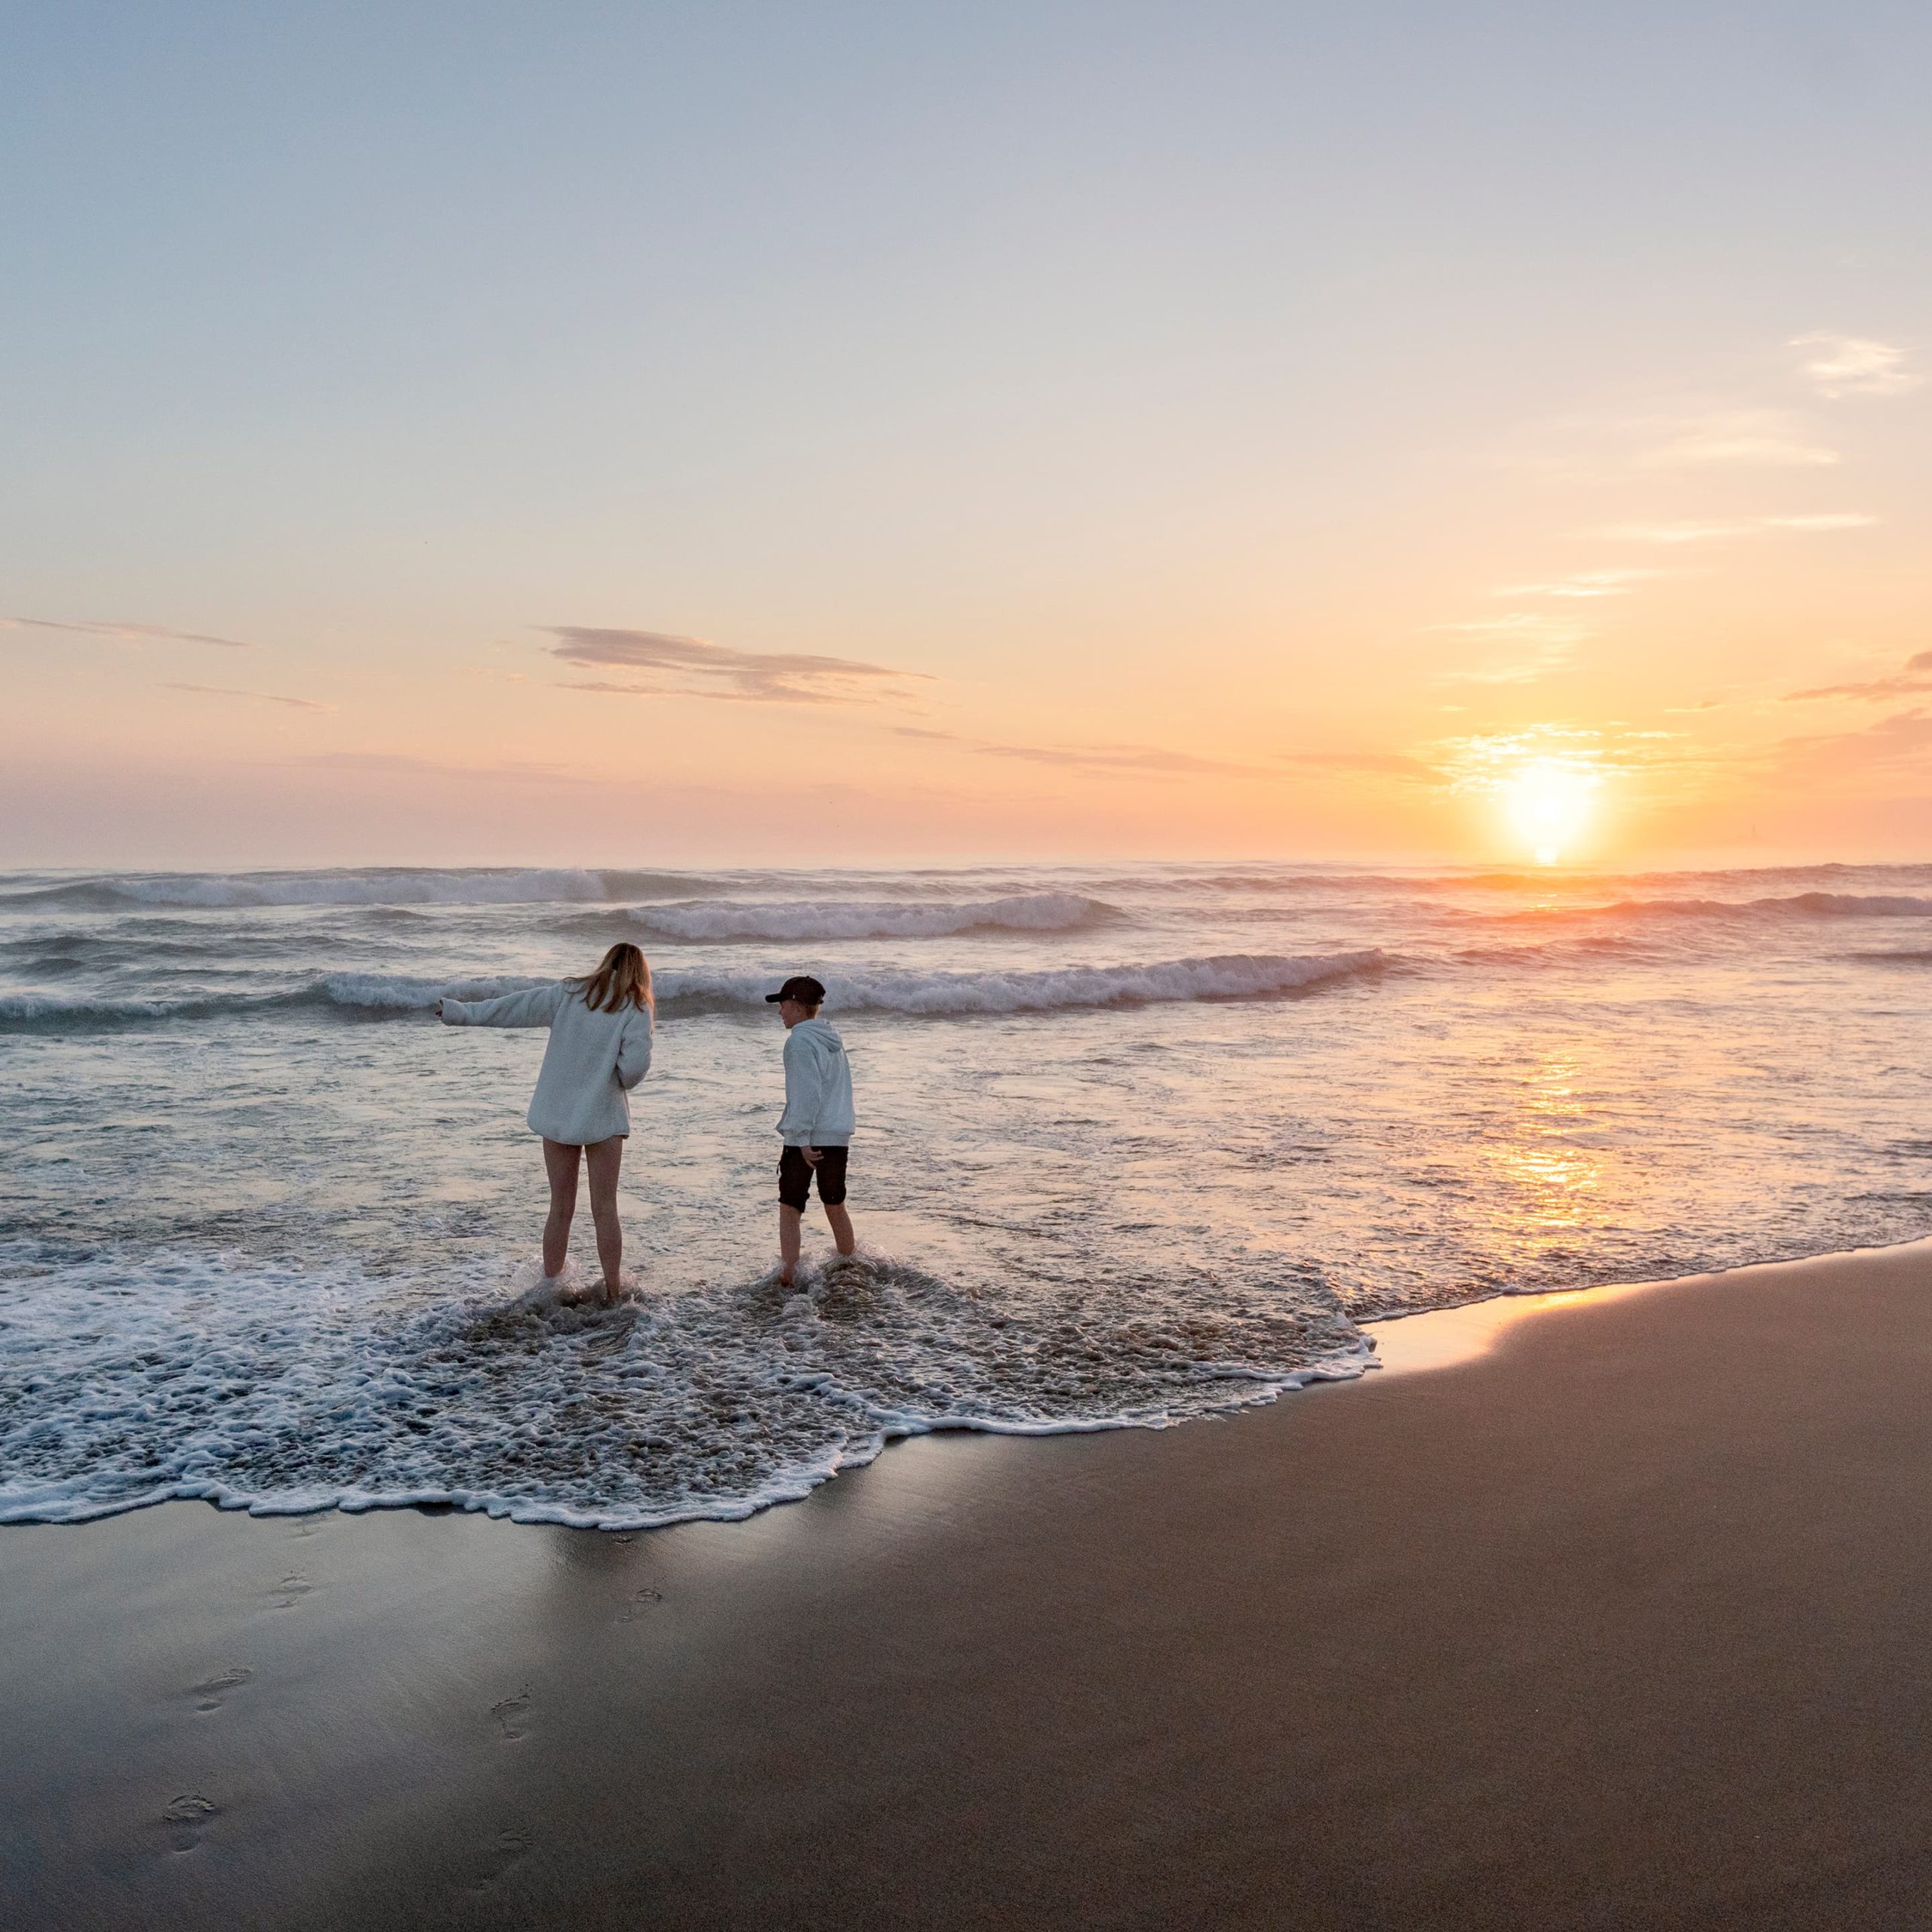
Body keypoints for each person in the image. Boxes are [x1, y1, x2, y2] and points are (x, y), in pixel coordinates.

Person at [435, 943, 654, 1306]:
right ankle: (615, 1292)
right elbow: (631, 1073)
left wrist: (460, 1012)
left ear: (607, 963)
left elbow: (513, 1008)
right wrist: (610, 1067)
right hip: (603, 1117)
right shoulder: (636, 1006)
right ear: (639, 973)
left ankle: (549, 1291)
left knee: (560, 1208)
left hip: (557, 1116)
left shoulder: (569, 993)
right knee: (605, 1209)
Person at [766, 974, 857, 1287]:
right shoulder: (832, 1038)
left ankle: (789, 1276)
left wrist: (802, 1140)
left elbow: (807, 1093)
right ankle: (849, 1266)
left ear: (796, 1006)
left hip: (808, 1138)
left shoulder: (799, 1042)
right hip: (837, 1134)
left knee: (790, 1207)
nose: (779, 1011)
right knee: (835, 1204)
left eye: (782, 1004)